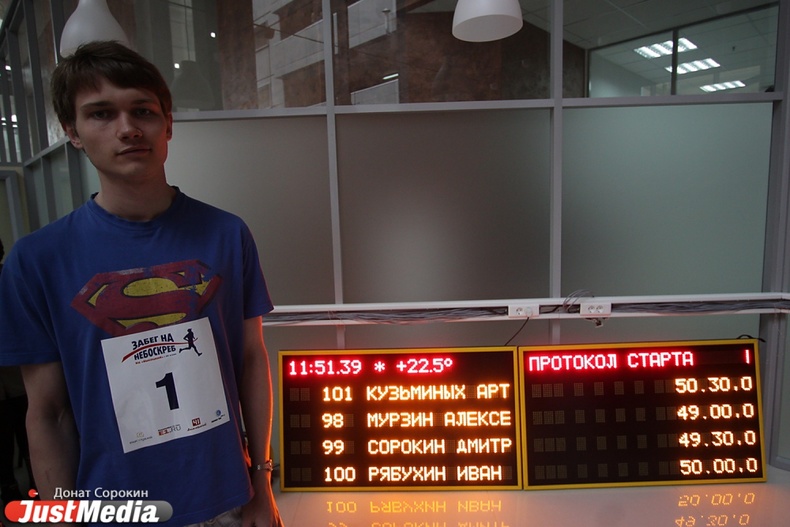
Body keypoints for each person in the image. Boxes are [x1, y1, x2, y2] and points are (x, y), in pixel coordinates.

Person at [0, 41, 283, 527]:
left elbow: (251, 360)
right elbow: (48, 413)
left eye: (143, 111)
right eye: (101, 114)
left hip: (227, 501)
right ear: (72, 132)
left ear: (167, 123)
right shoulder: (36, 261)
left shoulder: (226, 234)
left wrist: (262, 480)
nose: (128, 128)